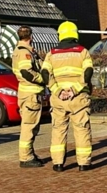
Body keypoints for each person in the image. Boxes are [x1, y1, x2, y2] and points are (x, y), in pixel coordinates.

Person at [42, 21, 94, 171]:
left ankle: (58, 163)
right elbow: (88, 72)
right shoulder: (82, 51)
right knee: (82, 129)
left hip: (58, 99)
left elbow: (45, 73)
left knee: (58, 130)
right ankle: (83, 163)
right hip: (78, 98)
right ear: (75, 34)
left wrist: (57, 90)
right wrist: (74, 89)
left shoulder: (51, 53)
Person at [11, 26, 45, 168]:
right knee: (29, 127)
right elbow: (26, 72)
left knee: (30, 126)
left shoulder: (20, 51)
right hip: (31, 94)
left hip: (26, 93)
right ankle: (26, 157)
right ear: (31, 37)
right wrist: (42, 79)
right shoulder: (25, 52)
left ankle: (29, 153)